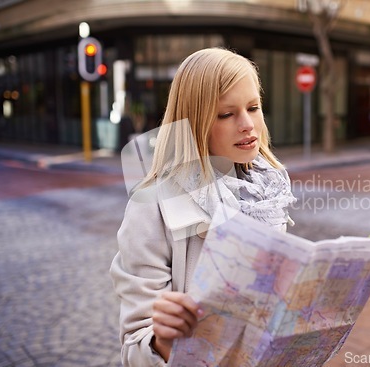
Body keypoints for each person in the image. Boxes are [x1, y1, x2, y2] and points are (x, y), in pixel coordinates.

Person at [110, 47, 296, 366]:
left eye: (253, 107)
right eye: (227, 114)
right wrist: (164, 340)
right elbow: (135, 347)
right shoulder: (151, 207)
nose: (247, 124)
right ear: (194, 122)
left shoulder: (270, 189)